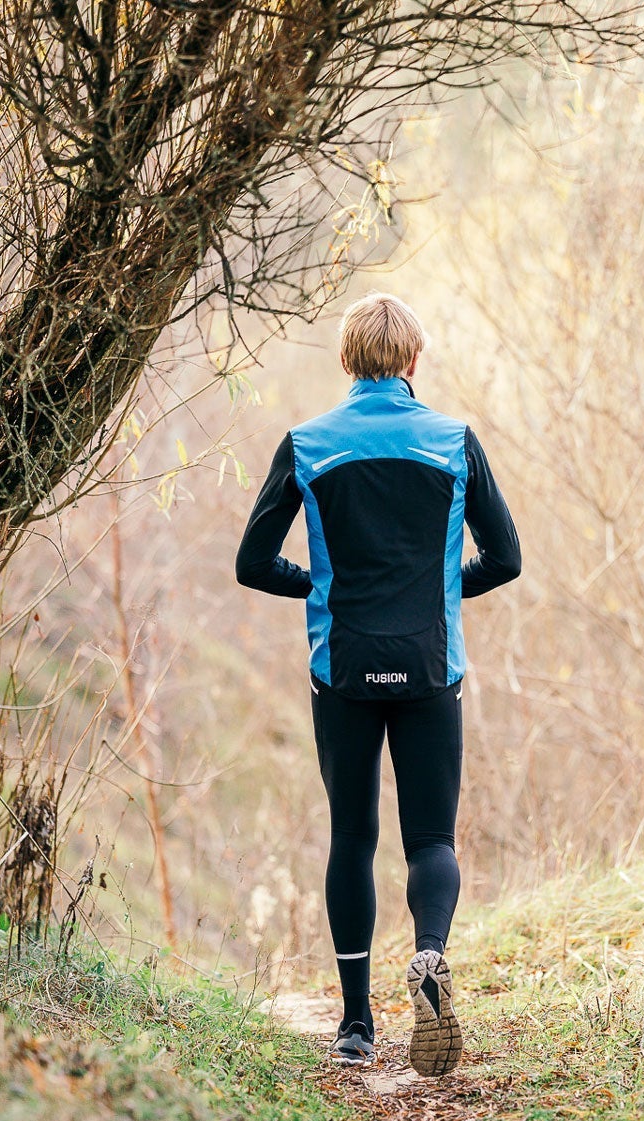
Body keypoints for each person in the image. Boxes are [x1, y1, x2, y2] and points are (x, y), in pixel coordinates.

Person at [234, 293, 521, 1074]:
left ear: (346, 361)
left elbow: (252, 564)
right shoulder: (455, 442)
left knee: (352, 839)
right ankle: (430, 957)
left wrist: (321, 585)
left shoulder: (307, 444)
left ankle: (357, 1026)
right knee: (431, 839)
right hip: (432, 667)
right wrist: (437, 589)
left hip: (343, 671)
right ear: (415, 362)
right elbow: (506, 558)